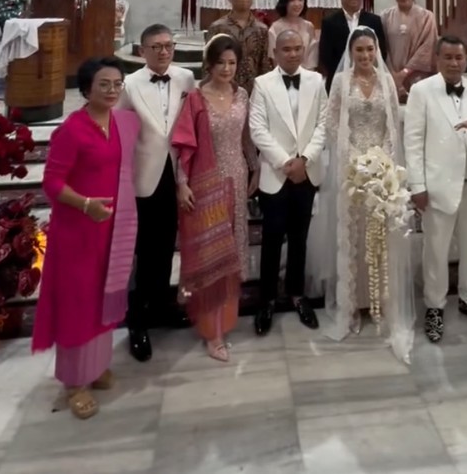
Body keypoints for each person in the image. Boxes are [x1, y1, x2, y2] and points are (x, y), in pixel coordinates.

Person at [32, 58, 139, 420]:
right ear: (86, 88)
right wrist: (85, 205)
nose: (111, 91)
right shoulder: (73, 130)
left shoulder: (119, 123)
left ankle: (95, 367)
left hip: (111, 228)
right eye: (103, 84)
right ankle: (74, 382)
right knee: (77, 303)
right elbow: (51, 183)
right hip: (78, 231)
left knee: (102, 296)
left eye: (116, 84)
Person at [309, 26, 415, 363]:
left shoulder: (387, 81)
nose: (366, 56)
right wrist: (356, 162)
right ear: (351, 53)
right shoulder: (341, 82)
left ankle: (381, 303)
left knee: (381, 238)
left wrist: (382, 163)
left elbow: (392, 124)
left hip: (383, 170)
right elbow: (333, 123)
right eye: (360, 51)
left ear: (377, 50)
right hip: (350, 169)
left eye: (370, 50)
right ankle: (352, 306)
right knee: (353, 236)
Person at [404, 34, 467, 343]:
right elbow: (412, 142)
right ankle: (434, 307)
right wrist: (417, 186)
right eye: (447, 57)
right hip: (436, 184)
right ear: (437, 59)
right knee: (435, 250)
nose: (453, 63)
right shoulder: (421, 91)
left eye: (459, 57)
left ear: (466, 59)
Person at [171, 34, 259, 362]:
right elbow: (183, 145)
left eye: (232, 63)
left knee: (231, 251)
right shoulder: (196, 98)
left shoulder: (242, 96)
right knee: (211, 254)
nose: (226, 68)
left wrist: (255, 169)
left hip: (236, 178)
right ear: (209, 64)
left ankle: (226, 319)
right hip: (206, 182)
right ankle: (213, 332)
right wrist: (182, 183)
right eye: (221, 62)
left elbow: (247, 139)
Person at [119, 23, 195, 362]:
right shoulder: (129, 84)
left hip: (175, 173)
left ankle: (162, 306)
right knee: (140, 250)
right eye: (156, 47)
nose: (163, 52)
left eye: (168, 45)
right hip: (141, 176)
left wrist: (185, 177)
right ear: (142, 51)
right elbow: (120, 135)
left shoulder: (185, 79)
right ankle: (136, 319)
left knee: (165, 245)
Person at [249, 29, 327, 336]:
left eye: (298, 48)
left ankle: (297, 295)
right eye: (287, 49)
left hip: (306, 172)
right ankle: (266, 299)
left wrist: (305, 159)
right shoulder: (262, 83)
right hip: (276, 173)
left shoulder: (316, 81)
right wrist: (285, 162)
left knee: (299, 237)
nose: (293, 54)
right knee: (271, 238)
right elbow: (257, 129)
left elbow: (323, 124)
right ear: (276, 53)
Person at [318, 0, 387, 91]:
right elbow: (326, 55)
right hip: (338, 80)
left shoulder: (374, 20)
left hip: (369, 80)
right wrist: (345, 74)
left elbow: (382, 51)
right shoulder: (329, 21)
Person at [381, 0, 437, 103]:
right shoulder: (385, 16)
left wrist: (404, 73)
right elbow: (383, 47)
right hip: (391, 77)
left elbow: (427, 47)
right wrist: (393, 75)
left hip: (417, 77)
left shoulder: (427, 16)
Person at [207, 0, 270, 94]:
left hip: (254, 91)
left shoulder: (262, 29)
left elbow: (264, 64)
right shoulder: (217, 27)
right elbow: (208, 62)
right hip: (224, 90)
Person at [269, 0, 318, 69]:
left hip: (307, 75)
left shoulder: (308, 26)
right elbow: (274, 59)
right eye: (292, 0)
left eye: (300, 0)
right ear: (285, 2)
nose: (297, 4)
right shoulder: (275, 27)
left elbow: (312, 56)